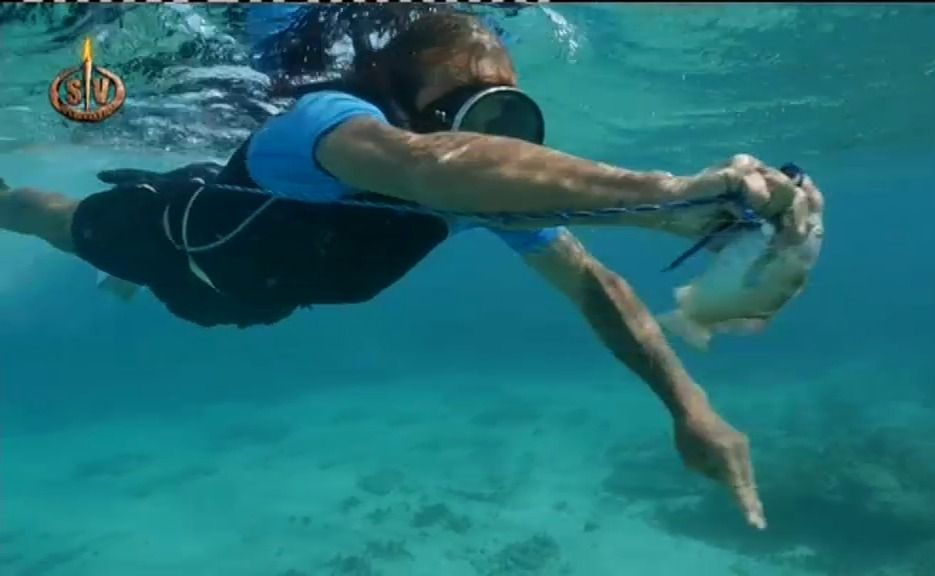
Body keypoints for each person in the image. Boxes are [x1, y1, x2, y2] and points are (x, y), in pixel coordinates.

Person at [0, 9, 825, 530]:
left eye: (502, 110)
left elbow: (595, 288)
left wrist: (690, 407)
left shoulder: (478, 187)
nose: (486, 135)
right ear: (390, 91)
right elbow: (424, 165)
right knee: (53, 221)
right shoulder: (328, 121)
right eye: (459, 106)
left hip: (251, 301)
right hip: (167, 237)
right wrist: (666, 195)